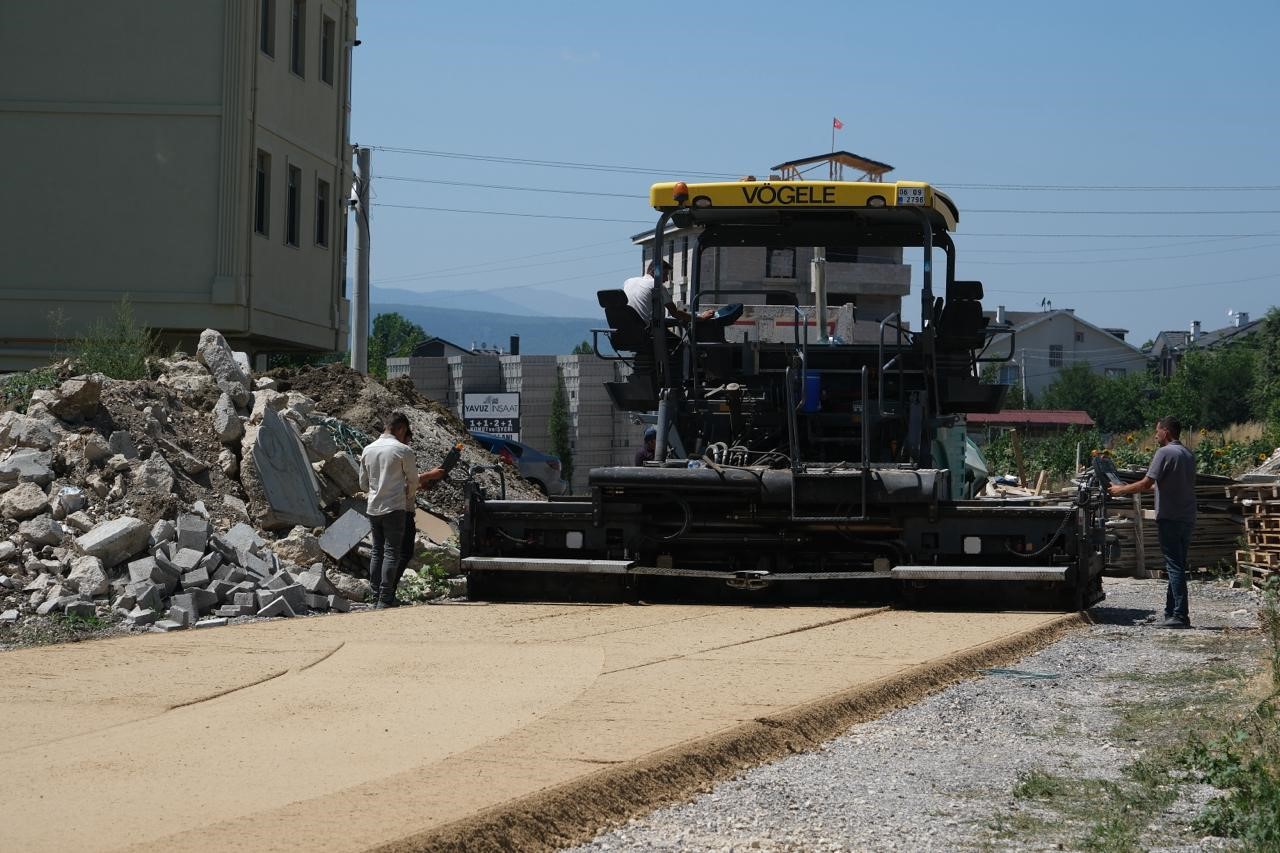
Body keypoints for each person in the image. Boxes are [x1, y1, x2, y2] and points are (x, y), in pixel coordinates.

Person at [1108, 416, 1198, 628]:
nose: (1155, 435)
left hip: (1170, 517)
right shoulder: (1187, 454)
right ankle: (1171, 612)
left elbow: (1147, 482)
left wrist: (1121, 490)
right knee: (1176, 564)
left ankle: (1181, 615)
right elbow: (1160, 485)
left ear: (1166, 432)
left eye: (1157, 431)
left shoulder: (1164, 452)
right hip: (1187, 517)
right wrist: (1129, 486)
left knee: (1174, 566)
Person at [358, 412, 446, 609]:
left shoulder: (368, 449)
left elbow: (363, 484)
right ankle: (386, 598)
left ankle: (375, 596)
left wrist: (379, 488)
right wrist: (406, 490)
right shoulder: (403, 450)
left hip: (374, 508)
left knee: (377, 552)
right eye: (404, 431)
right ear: (400, 428)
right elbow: (413, 481)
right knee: (391, 553)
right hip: (395, 508)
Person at [622, 261, 714, 328]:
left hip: (624, 329)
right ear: (655, 272)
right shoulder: (656, 285)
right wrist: (701, 317)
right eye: (665, 274)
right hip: (643, 330)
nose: (666, 279)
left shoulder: (628, 281)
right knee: (678, 344)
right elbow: (675, 313)